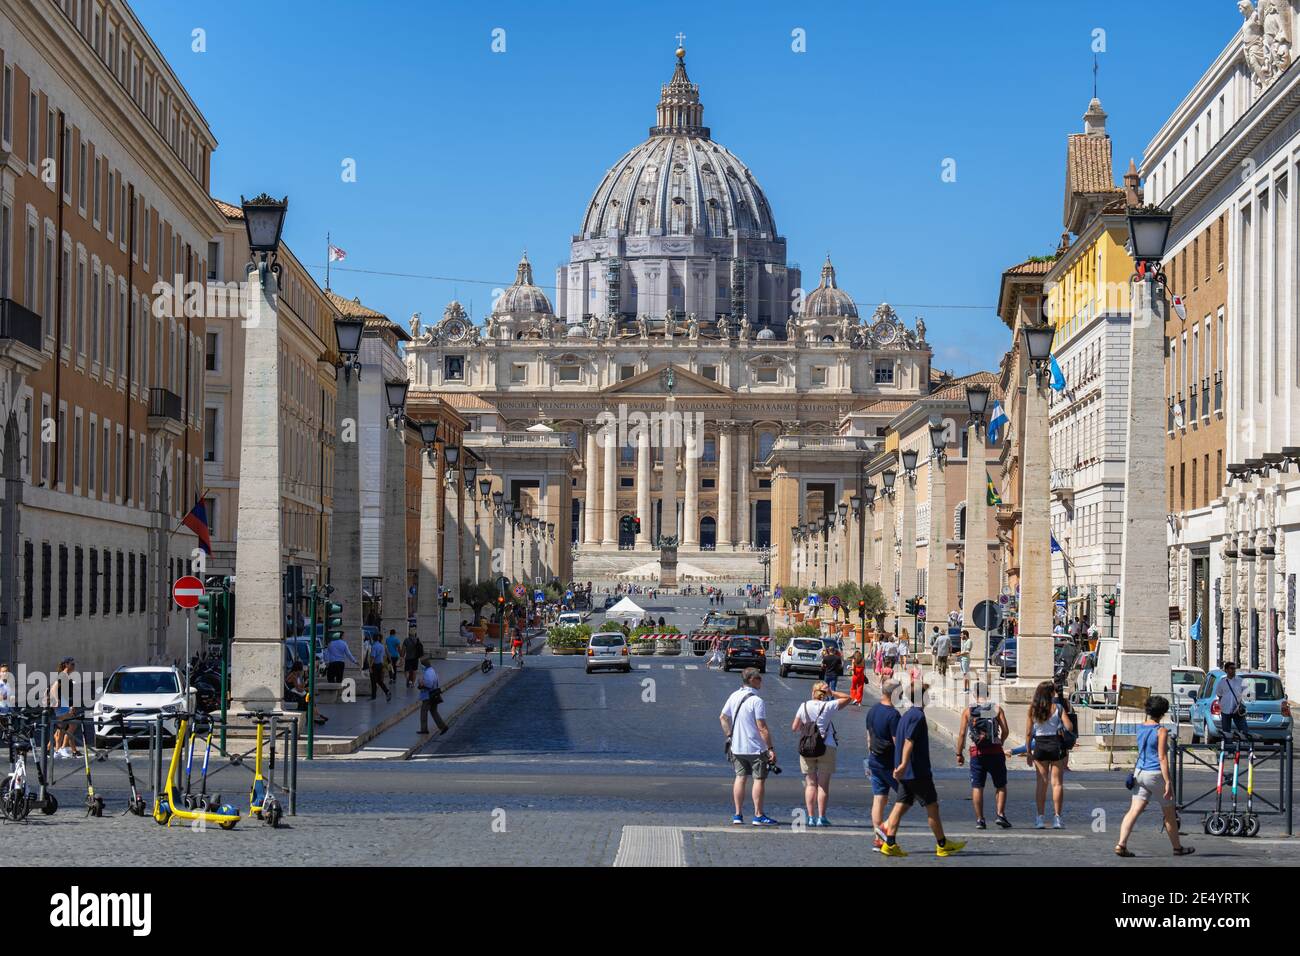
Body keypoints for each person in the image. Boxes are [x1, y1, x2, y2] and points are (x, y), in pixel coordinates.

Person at [879, 684, 965, 858]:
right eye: (928, 695)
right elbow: (909, 742)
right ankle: (942, 844)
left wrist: (901, 767)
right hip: (917, 772)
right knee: (932, 806)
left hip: (906, 774)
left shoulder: (907, 715)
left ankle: (889, 843)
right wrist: (903, 764)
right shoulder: (918, 716)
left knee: (900, 805)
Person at [1114, 695, 1194, 858]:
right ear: (1163, 713)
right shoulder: (1161, 731)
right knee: (1169, 814)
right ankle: (1177, 848)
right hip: (1155, 773)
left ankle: (1121, 844)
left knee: (1133, 811)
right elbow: (1162, 757)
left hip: (1139, 773)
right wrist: (1167, 782)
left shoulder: (1141, 727)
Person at [719, 667, 779, 827]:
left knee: (740, 778)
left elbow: (723, 717)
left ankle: (737, 814)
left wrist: (730, 735)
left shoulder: (734, 695)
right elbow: (762, 727)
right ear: (752, 680)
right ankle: (758, 815)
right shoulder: (756, 701)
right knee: (758, 780)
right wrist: (770, 748)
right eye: (759, 678)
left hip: (737, 747)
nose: (761, 680)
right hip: (756, 748)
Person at [791, 681, 853, 827]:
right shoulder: (828, 706)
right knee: (823, 786)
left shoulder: (803, 706)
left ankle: (811, 817)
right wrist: (832, 693)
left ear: (813, 692)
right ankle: (822, 817)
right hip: (827, 746)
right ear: (824, 694)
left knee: (810, 784)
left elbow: (795, 727)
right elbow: (848, 698)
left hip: (807, 748)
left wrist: (807, 729)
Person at [955, 682, 1011, 829]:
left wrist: (959, 753)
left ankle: (980, 819)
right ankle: (1000, 814)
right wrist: (1000, 742)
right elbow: (1005, 730)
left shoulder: (968, 711)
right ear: (988, 694)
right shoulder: (996, 709)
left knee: (977, 786)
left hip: (977, 753)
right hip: (995, 752)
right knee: (1000, 785)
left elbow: (961, 734)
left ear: (974, 694)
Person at [1025, 680, 1072, 828]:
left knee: (1041, 783)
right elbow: (1069, 726)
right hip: (1055, 745)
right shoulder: (1057, 707)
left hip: (1040, 745)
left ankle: (1040, 818)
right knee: (1057, 783)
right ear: (1052, 693)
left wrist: (1028, 752)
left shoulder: (1033, 709)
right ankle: (1057, 818)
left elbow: (1028, 733)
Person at [866, 679, 902, 848]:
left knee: (879, 798)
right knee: (906, 796)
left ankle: (878, 838)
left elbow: (869, 737)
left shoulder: (872, 710)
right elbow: (898, 743)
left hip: (874, 759)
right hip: (890, 763)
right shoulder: (893, 714)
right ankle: (885, 827)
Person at [1215, 661, 1250, 740]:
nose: (1234, 670)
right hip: (1225, 710)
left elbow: (1247, 694)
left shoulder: (1240, 681)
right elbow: (1219, 694)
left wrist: (1242, 702)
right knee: (1226, 733)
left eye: (1234, 668)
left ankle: (1245, 748)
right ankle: (1228, 749)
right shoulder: (1222, 682)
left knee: (1244, 731)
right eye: (1231, 668)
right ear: (1226, 670)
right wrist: (1222, 705)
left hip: (1237, 710)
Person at [416, 656, 449, 735]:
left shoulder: (428, 673)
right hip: (434, 695)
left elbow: (429, 684)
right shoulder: (432, 670)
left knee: (424, 711)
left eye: (421, 664)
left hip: (428, 696)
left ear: (424, 665)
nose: (421, 666)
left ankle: (424, 729)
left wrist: (421, 684)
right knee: (434, 712)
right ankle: (443, 727)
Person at [368, 633, 391, 702]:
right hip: (381, 665)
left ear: (373, 638)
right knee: (379, 680)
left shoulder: (374, 646)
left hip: (375, 665)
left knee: (373, 681)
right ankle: (387, 691)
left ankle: (373, 696)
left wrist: (370, 667)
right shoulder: (382, 646)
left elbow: (372, 657)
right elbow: (384, 656)